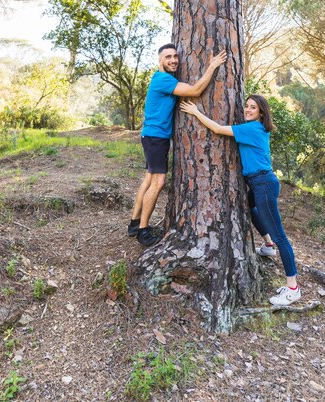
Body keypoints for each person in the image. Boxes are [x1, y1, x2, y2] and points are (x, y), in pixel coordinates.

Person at [179, 94, 301, 306]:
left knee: (281, 236)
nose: (247, 110)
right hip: (258, 183)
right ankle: (268, 245)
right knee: (250, 210)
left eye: (253, 107)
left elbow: (217, 129)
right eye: (246, 106)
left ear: (261, 112)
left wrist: (196, 112)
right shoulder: (255, 128)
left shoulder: (252, 128)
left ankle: (293, 288)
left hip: (263, 184)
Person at [128, 43, 227, 247]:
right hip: (156, 137)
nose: (173, 60)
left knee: (149, 179)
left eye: (175, 56)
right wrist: (212, 65)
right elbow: (196, 90)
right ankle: (143, 231)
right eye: (168, 57)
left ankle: (134, 223)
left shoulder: (165, 79)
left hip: (153, 136)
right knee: (158, 182)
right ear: (160, 61)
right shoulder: (163, 79)